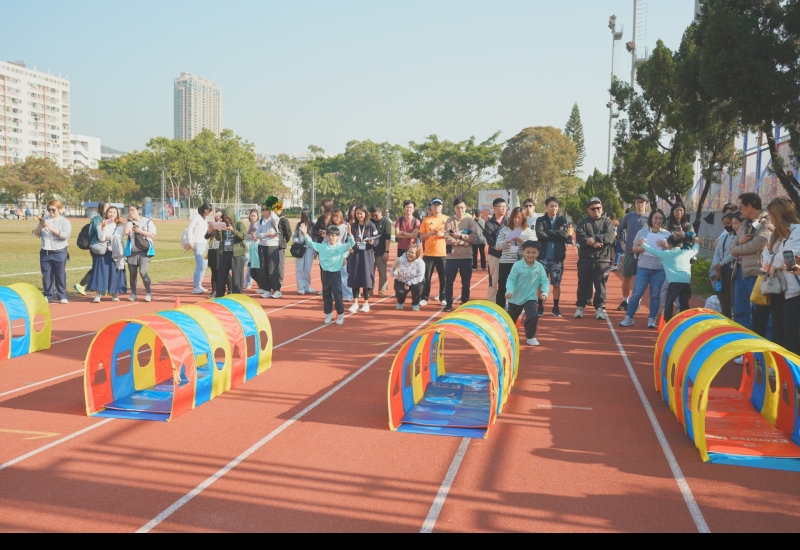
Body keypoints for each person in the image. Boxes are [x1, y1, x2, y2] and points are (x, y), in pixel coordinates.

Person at [760, 197, 800, 355]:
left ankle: (793, 367)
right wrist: (775, 261)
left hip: (794, 290)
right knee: (778, 331)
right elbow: (765, 261)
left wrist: (773, 260)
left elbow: (786, 256)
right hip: (776, 288)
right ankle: (780, 364)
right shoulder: (773, 236)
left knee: (791, 331)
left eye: (771, 215)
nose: (770, 218)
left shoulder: (797, 231)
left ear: (779, 215)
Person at [618, 209, 670, 328]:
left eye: (660, 218)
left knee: (655, 295)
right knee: (637, 293)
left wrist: (666, 245)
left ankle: (652, 320)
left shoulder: (667, 234)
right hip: (643, 268)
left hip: (659, 269)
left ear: (663, 220)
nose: (658, 220)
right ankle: (629, 318)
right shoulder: (642, 232)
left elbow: (673, 250)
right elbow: (634, 248)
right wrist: (640, 248)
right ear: (651, 219)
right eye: (656, 218)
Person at [730, 192, 770, 331]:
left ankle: (764, 343)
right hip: (741, 271)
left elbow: (759, 243)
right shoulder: (744, 224)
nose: (740, 210)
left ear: (750, 206)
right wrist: (739, 243)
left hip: (757, 272)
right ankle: (743, 342)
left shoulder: (767, 221)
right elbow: (732, 248)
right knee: (740, 311)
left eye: (741, 207)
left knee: (761, 312)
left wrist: (738, 247)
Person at [299, 223, 350, 325]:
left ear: (338, 237)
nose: (331, 237)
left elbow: (350, 244)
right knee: (326, 294)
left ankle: (340, 314)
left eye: (334, 236)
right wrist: (305, 234)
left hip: (335, 274)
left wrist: (350, 234)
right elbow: (311, 243)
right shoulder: (322, 247)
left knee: (337, 294)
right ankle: (328, 314)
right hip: (325, 274)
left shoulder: (341, 247)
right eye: (329, 235)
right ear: (327, 236)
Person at [640, 234, 699, 322]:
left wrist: (643, 244)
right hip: (686, 282)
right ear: (681, 245)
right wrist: (697, 243)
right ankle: (685, 321)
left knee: (669, 301)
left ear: (669, 245)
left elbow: (652, 251)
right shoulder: (686, 252)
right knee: (684, 302)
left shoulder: (666, 254)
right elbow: (695, 249)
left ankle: (668, 321)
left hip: (674, 282)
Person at [574, 197, 616, 320]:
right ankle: (580, 307)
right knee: (583, 284)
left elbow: (609, 237)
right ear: (588, 209)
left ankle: (600, 308)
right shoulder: (583, 222)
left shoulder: (608, 222)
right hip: (585, 259)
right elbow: (580, 237)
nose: (596, 210)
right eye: (593, 208)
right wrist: (592, 243)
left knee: (600, 285)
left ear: (602, 208)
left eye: (598, 208)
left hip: (602, 260)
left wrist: (595, 238)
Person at [505, 241, 550, 346]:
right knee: (510, 319)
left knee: (533, 315)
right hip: (515, 297)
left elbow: (545, 281)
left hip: (530, 297)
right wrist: (509, 291)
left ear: (538, 253)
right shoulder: (517, 265)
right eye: (528, 252)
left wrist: (545, 293)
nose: (530, 255)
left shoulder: (539, 267)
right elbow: (511, 280)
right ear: (523, 252)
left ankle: (531, 337)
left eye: (534, 252)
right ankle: (508, 336)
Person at [495, 206, 536, 310]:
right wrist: (507, 241)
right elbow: (497, 246)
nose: (516, 220)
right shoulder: (504, 230)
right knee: (503, 287)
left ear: (523, 218)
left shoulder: (528, 231)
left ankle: (516, 310)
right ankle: (500, 310)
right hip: (505, 262)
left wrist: (523, 243)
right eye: (514, 217)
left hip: (521, 263)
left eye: (519, 218)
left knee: (520, 287)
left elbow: (534, 247)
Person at [32, 199, 72, 304]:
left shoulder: (64, 221)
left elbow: (65, 235)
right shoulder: (44, 220)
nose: (51, 212)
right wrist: (39, 227)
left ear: (59, 209)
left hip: (59, 251)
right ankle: (48, 295)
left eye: (53, 210)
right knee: (46, 275)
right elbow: (35, 234)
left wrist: (50, 228)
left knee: (60, 274)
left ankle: (62, 295)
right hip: (45, 251)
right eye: (49, 210)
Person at [535, 197, 569, 317]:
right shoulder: (540, 220)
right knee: (540, 283)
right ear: (546, 207)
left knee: (556, 283)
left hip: (557, 257)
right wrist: (556, 233)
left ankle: (555, 307)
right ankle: (540, 307)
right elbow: (539, 235)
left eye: (556, 206)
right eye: (551, 206)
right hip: (543, 257)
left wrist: (548, 232)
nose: (554, 208)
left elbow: (564, 233)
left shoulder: (562, 219)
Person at [443, 197, 478, 312]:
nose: (460, 210)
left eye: (462, 207)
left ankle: (464, 303)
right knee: (449, 282)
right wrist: (463, 242)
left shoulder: (470, 221)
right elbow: (447, 238)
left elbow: (474, 237)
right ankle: (448, 303)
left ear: (466, 208)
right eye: (458, 207)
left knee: (466, 283)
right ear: (454, 208)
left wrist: (461, 236)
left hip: (466, 257)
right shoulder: (449, 221)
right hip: (452, 257)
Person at [616, 194, 650, 311]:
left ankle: (637, 302)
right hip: (630, 252)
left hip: (644, 254)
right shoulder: (628, 217)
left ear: (646, 204)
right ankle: (625, 301)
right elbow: (619, 230)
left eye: (642, 202)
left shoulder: (650, 218)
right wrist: (622, 243)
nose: (639, 204)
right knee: (626, 278)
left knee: (641, 280)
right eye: (637, 202)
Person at [88, 206, 127, 303]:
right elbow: (101, 238)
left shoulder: (120, 225)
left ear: (117, 214)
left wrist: (110, 238)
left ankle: (114, 294)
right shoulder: (101, 224)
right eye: (110, 212)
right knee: (101, 272)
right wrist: (103, 227)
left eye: (114, 212)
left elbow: (120, 236)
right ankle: (98, 294)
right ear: (106, 213)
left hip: (116, 251)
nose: (112, 214)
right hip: (104, 251)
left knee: (115, 272)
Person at [256, 196, 292, 299]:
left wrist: (271, 206)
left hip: (273, 247)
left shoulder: (274, 219)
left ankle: (277, 290)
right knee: (263, 269)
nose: (264, 211)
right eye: (263, 209)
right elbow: (257, 235)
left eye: (266, 209)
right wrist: (266, 235)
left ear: (270, 210)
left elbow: (275, 217)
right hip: (262, 246)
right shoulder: (260, 221)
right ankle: (267, 290)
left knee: (272, 269)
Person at [348, 203, 379, 313]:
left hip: (366, 255)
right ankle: (355, 303)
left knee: (366, 278)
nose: (359, 215)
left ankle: (366, 303)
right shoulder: (352, 226)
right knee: (354, 277)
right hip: (355, 255)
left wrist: (372, 242)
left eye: (361, 213)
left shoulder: (371, 226)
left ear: (366, 213)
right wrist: (348, 246)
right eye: (357, 213)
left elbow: (377, 240)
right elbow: (348, 240)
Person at [74, 201, 110, 296]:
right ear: (101, 208)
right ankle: (81, 285)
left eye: (109, 207)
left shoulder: (103, 219)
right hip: (97, 246)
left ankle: (95, 287)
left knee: (98, 267)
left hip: (101, 246)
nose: (108, 209)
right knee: (97, 268)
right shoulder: (98, 219)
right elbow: (98, 232)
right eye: (106, 207)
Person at [419, 198, 449, 307]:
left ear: (442, 207)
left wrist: (443, 234)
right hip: (429, 253)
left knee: (443, 277)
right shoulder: (426, 220)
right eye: (434, 205)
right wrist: (430, 234)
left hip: (442, 253)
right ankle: (424, 297)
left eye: (438, 205)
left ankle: (443, 297)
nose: (436, 207)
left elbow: (451, 234)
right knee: (426, 277)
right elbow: (421, 236)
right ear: (431, 207)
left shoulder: (447, 219)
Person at [124, 204, 156, 302]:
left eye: (133, 210)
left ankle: (149, 293)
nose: (131, 212)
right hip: (132, 251)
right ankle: (133, 293)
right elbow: (126, 232)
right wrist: (129, 221)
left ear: (138, 211)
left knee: (143, 272)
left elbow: (152, 234)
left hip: (144, 251)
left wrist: (140, 231)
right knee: (132, 274)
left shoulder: (147, 221)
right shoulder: (129, 222)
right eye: (129, 210)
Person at [213, 207, 248, 296]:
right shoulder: (224, 225)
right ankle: (219, 296)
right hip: (225, 253)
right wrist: (218, 230)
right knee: (221, 276)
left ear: (232, 216)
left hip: (237, 254)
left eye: (228, 217)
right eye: (225, 218)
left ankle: (237, 296)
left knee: (237, 277)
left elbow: (243, 236)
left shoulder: (239, 225)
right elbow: (218, 238)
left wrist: (232, 230)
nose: (227, 219)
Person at [711, 212, 737, 319]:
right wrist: (717, 268)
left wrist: (721, 264)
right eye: (724, 224)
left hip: (731, 268)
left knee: (733, 297)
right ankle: (726, 318)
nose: (726, 226)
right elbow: (717, 252)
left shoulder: (738, 237)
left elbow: (734, 254)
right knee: (723, 297)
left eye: (729, 223)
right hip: (721, 270)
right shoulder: (724, 236)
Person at [484, 198, 508, 302]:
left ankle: (506, 302)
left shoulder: (509, 221)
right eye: (500, 206)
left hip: (508, 255)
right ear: (494, 208)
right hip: (495, 255)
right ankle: (492, 302)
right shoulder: (489, 223)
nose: (503, 208)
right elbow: (491, 241)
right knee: (493, 280)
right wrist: (503, 245)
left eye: (505, 206)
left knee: (508, 281)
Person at [391, 243, 426, 311]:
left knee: (418, 287)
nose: (410, 254)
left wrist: (408, 283)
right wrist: (394, 268)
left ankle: (415, 304)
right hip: (401, 281)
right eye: (409, 252)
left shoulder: (420, 262)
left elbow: (420, 277)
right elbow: (392, 274)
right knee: (400, 292)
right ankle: (400, 302)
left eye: (412, 253)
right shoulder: (400, 260)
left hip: (414, 282)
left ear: (417, 254)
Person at [187, 203, 213, 294]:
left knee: (205, 265)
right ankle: (195, 286)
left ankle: (199, 284)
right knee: (200, 265)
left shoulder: (205, 219)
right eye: (210, 210)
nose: (211, 212)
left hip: (204, 244)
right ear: (205, 210)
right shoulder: (197, 218)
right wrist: (190, 241)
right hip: (198, 243)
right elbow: (189, 229)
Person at [206, 210, 230, 299]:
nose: (218, 217)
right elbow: (206, 237)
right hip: (212, 250)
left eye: (219, 215)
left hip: (220, 250)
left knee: (223, 271)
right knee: (214, 271)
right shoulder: (213, 225)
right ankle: (214, 291)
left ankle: (230, 289)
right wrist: (209, 230)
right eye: (216, 215)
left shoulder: (225, 225)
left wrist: (220, 229)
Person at [369, 205, 393, 298]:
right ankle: (370, 288)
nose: (374, 217)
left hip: (381, 250)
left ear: (381, 212)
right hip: (370, 250)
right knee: (369, 271)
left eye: (376, 215)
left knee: (382, 271)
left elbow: (387, 238)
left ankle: (381, 289)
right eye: (372, 215)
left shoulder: (385, 222)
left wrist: (386, 251)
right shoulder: (369, 221)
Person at [293, 209, 317, 295]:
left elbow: (315, 239)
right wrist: (297, 241)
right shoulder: (298, 225)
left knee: (307, 269)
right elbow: (294, 236)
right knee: (299, 268)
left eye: (301, 214)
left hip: (309, 249)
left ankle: (306, 286)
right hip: (300, 249)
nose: (300, 215)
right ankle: (301, 287)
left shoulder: (312, 226)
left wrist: (315, 251)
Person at [334, 209, 354, 302]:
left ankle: (348, 294)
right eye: (334, 217)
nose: (335, 219)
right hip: (332, 256)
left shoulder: (345, 227)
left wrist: (345, 255)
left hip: (342, 256)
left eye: (337, 217)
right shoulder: (331, 227)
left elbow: (348, 242)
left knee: (343, 276)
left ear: (341, 217)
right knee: (333, 277)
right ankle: (335, 294)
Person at [244, 209, 261, 290]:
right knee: (250, 265)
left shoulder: (256, 225)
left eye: (254, 216)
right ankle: (248, 282)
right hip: (250, 246)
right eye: (251, 215)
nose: (253, 217)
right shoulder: (252, 224)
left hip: (253, 246)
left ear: (257, 216)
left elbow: (253, 236)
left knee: (250, 265)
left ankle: (248, 283)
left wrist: (246, 234)